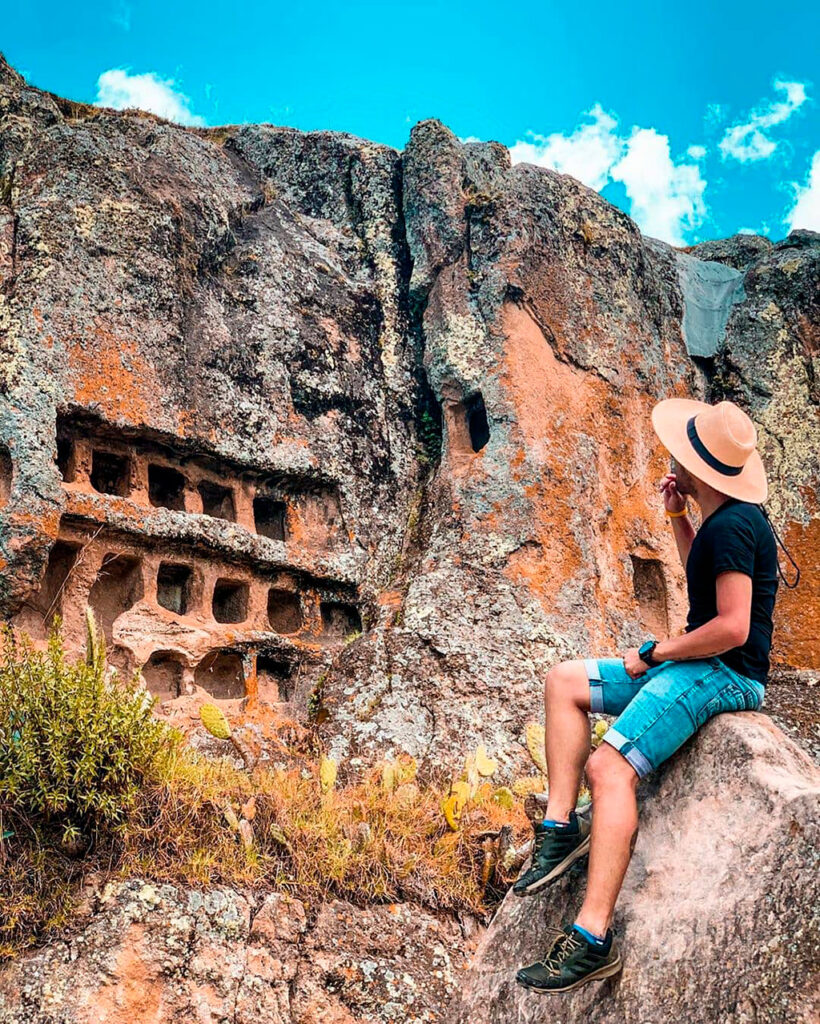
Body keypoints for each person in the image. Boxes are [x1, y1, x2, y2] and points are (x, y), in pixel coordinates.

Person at [515, 398, 780, 995]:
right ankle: (559, 828)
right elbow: (706, 587)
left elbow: (734, 627)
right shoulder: (722, 519)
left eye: (682, 452)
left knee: (609, 768)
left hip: (724, 673)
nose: (673, 456)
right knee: (564, 681)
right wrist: (678, 519)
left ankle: (590, 938)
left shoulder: (738, 526)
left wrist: (657, 652)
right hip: (698, 661)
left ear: (700, 468)